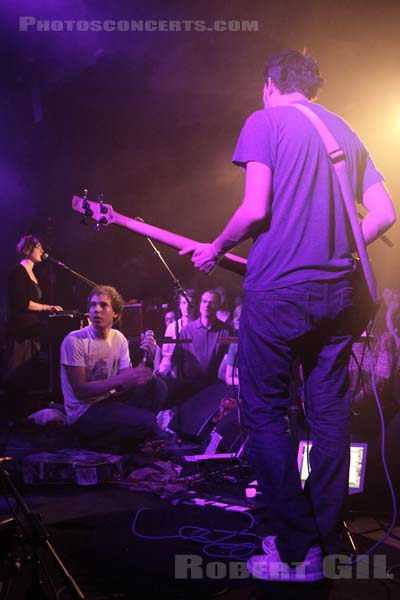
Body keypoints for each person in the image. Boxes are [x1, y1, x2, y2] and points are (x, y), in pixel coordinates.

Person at [180, 50, 396, 581]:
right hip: (340, 295)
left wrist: (215, 246)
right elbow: (387, 213)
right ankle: (322, 540)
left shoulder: (264, 120)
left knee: (265, 413)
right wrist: (342, 246)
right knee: (329, 418)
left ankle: (295, 550)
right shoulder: (344, 129)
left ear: (270, 84)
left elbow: (255, 209)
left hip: (277, 291)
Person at [60, 285, 167, 452]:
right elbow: (81, 390)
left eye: (103, 305)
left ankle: (132, 433)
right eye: (93, 305)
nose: (96, 310)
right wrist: (122, 379)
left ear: (115, 313)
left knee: (158, 386)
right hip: (84, 412)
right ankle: (96, 441)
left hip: (109, 401)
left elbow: (127, 383)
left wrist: (148, 358)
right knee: (146, 421)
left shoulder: (119, 338)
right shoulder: (75, 340)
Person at [4, 234, 63, 418]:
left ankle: (26, 412)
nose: (42, 251)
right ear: (28, 249)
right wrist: (46, 307)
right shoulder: (18, 272)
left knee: (28, 372)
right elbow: (21, 302)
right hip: (21, 330)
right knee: (16, 371)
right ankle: (12, 415)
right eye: (39, 247)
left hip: (32, 328)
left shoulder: (32, 272)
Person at [158, 289, 198, 377]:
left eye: (190, 303)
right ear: (179, 305)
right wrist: (161, 373)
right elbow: (167, 355)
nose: (187, 307)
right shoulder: (171, 328)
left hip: (195, 376)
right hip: (176, 376)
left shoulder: (200, 327)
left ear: (195, 306)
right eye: (184, 303)